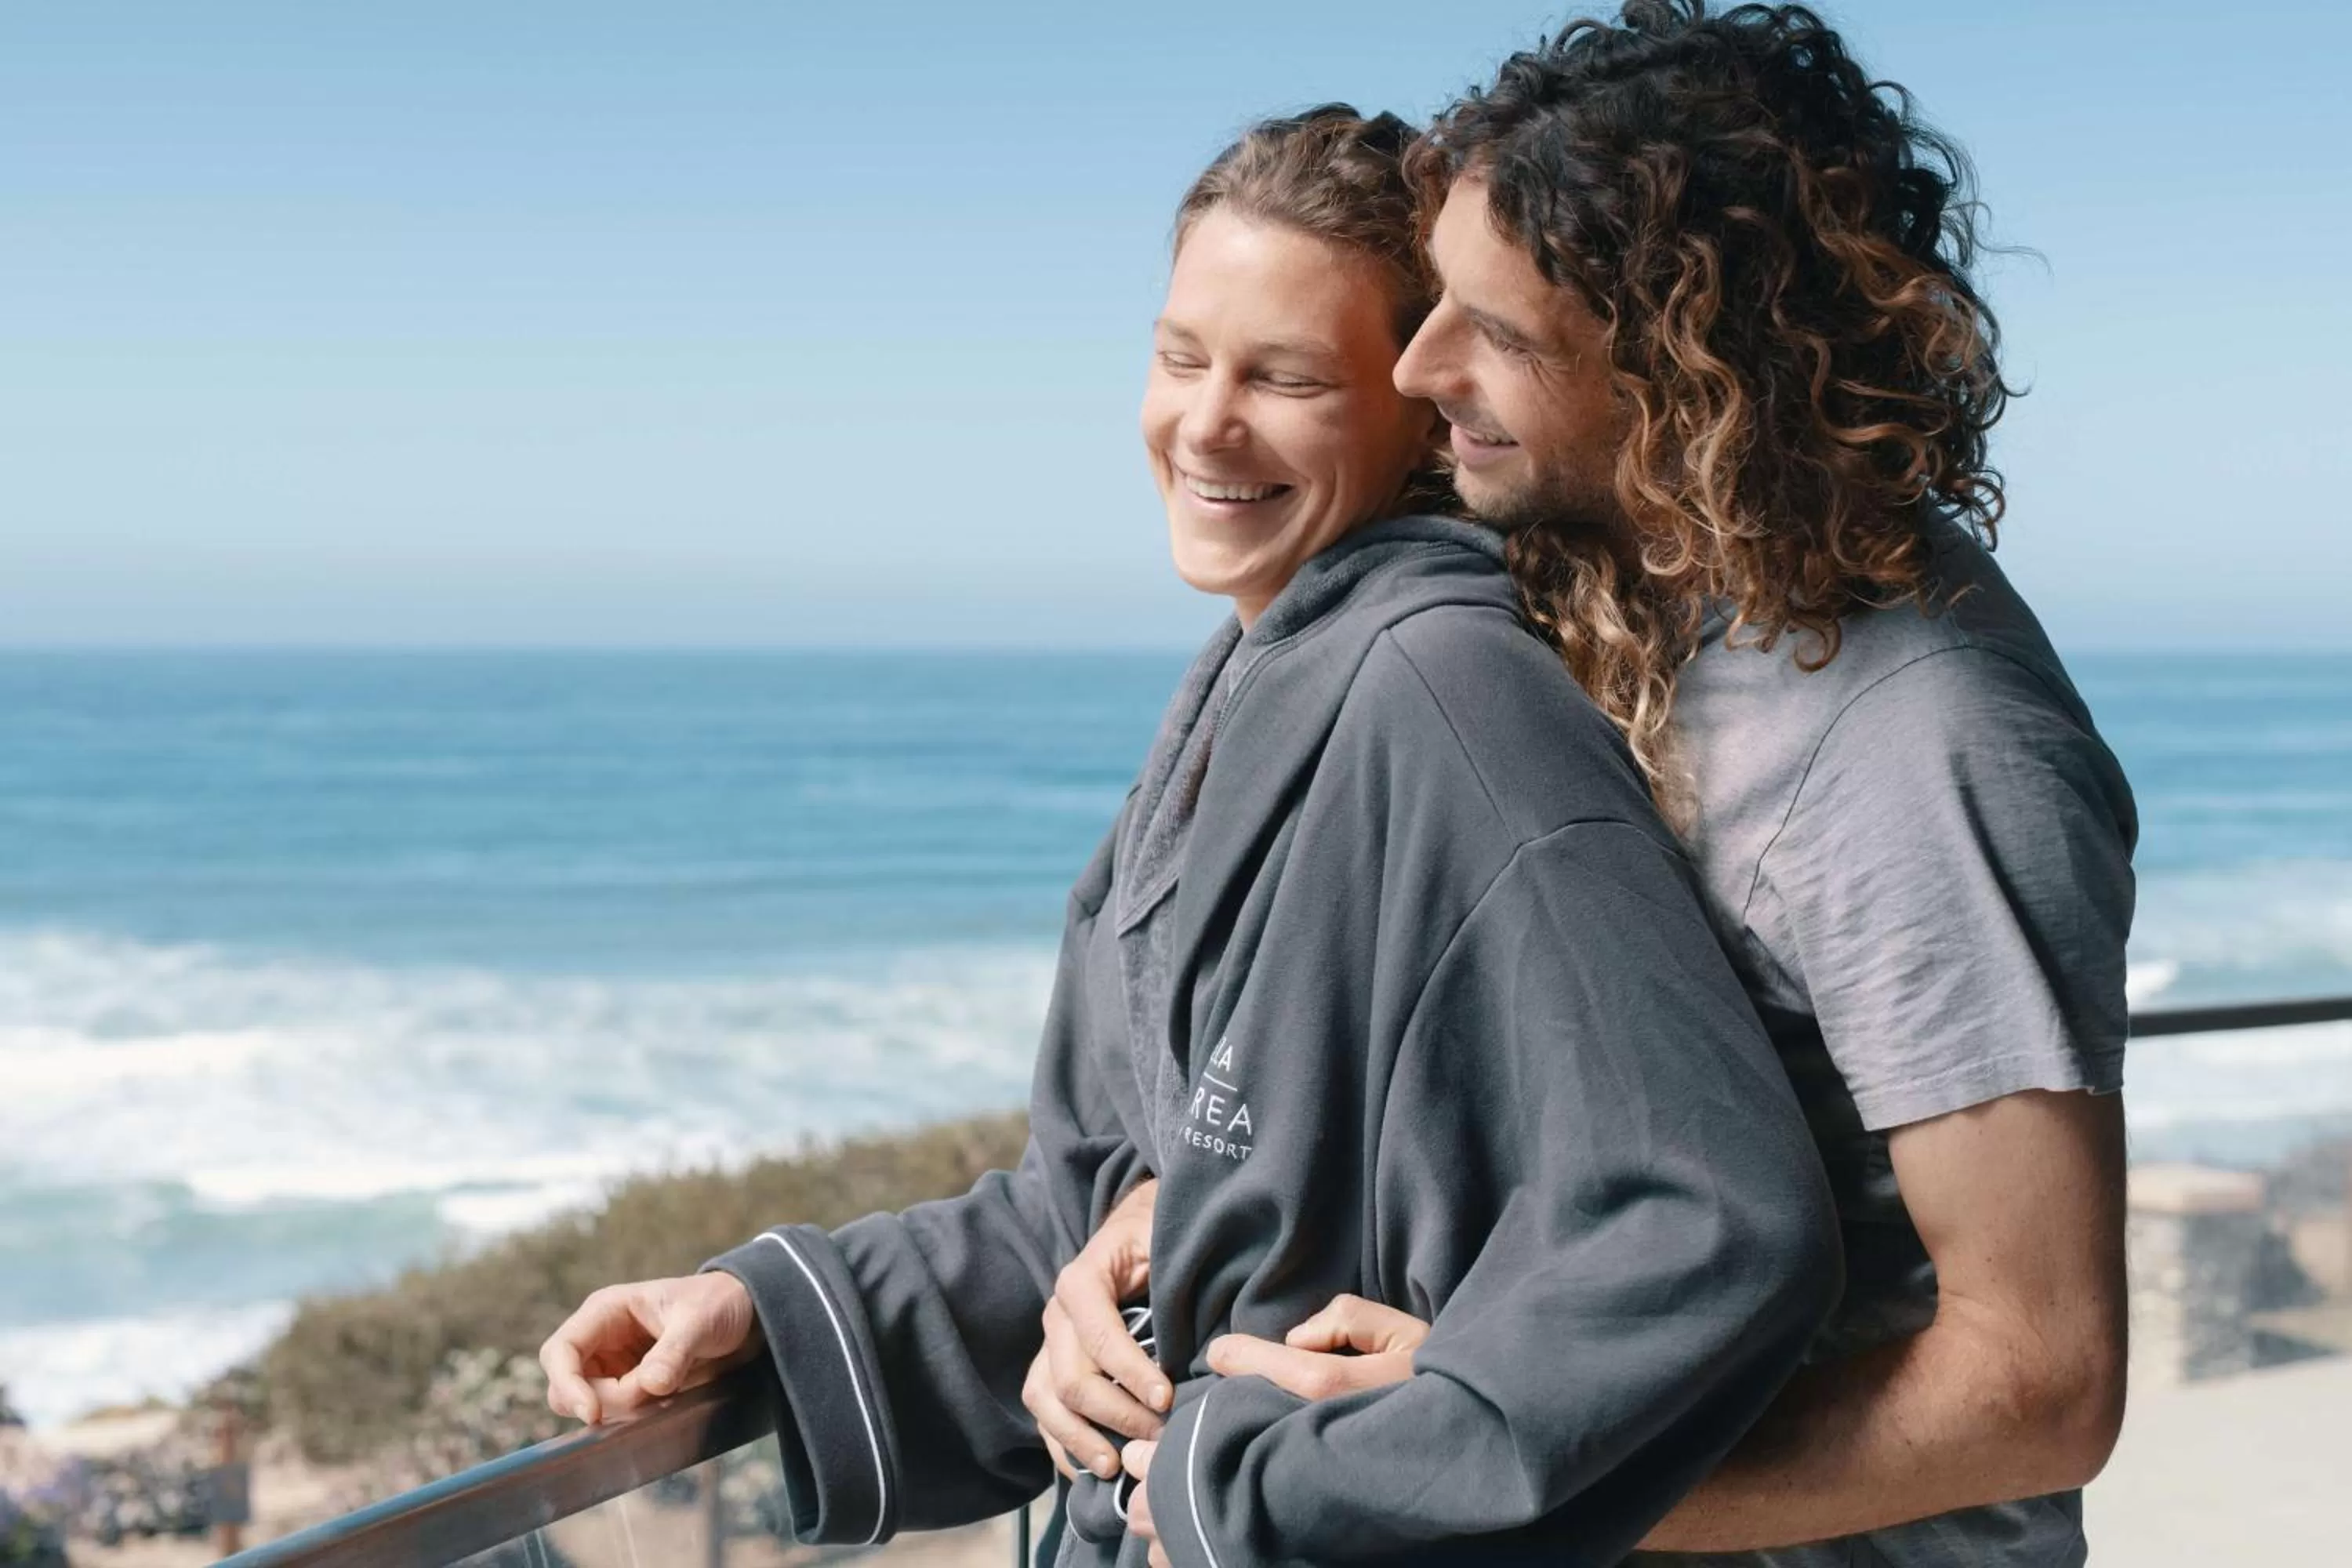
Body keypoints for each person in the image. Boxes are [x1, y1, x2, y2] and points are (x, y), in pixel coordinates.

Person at [538, 106, 1841, 1567]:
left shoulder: (1447, 699)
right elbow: (1110, 1203)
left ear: (1422, 405)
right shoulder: (1252, 679)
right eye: (1180, 357)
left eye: (1283, 378)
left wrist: (1300, 1488)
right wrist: (778, 1315)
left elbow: (1708, 1219)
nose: (1206, 423)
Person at [1026, 6, 2137, 1565]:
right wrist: (1173, 1202)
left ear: (1684, 363)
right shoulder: (1620, 584)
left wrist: (1491, 1459)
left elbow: (2036, 1380)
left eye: (1496, 330)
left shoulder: (1919, 751)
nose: (1418, 367)